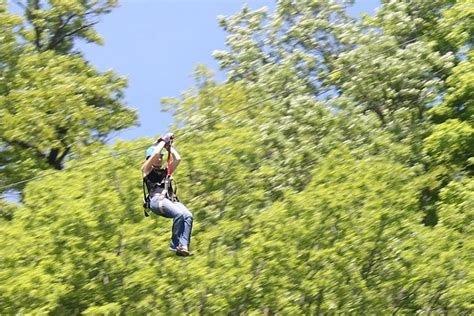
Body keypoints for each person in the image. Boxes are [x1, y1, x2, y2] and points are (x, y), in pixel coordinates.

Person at [142, 133, 193, 256]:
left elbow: (178, 158)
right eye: (157, 157)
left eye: (161, 157)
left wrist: (169, 147)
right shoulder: (146, 170)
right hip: (157, 200)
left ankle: (183, 246)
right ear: (150, 158)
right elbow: (154, 154)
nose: (159, 158)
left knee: (188, 216)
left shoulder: (165, 172)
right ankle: (175, 245)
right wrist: (162, 142)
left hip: (170, 200)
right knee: (179, 214)